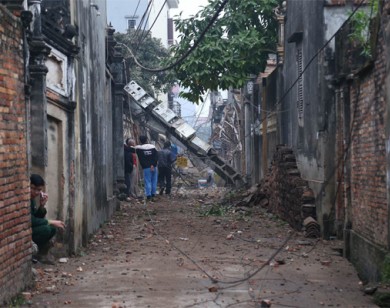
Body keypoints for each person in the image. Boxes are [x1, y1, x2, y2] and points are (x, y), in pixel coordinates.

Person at [30, 174, 65, 264]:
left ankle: (40, 254)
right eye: (33, 188)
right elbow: (31, 220)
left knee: (51, 229)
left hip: (31, 229)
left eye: (39, 190)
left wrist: (42, 206)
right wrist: (50, 221)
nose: (36, 192)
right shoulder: (26, 198)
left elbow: (36, 217)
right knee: (46, 229)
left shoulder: (32, 199)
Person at [134, 135, 158, 201]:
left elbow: (130, 148)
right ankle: (153, 194)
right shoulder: (153, 147)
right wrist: (153, 165)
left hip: (146, 167)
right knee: (154, 180)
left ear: (140, 141)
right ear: (146, 140)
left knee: (148, 181)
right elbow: (156, 157)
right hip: (154, 167)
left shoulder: (138, 148)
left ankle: (148, 195)